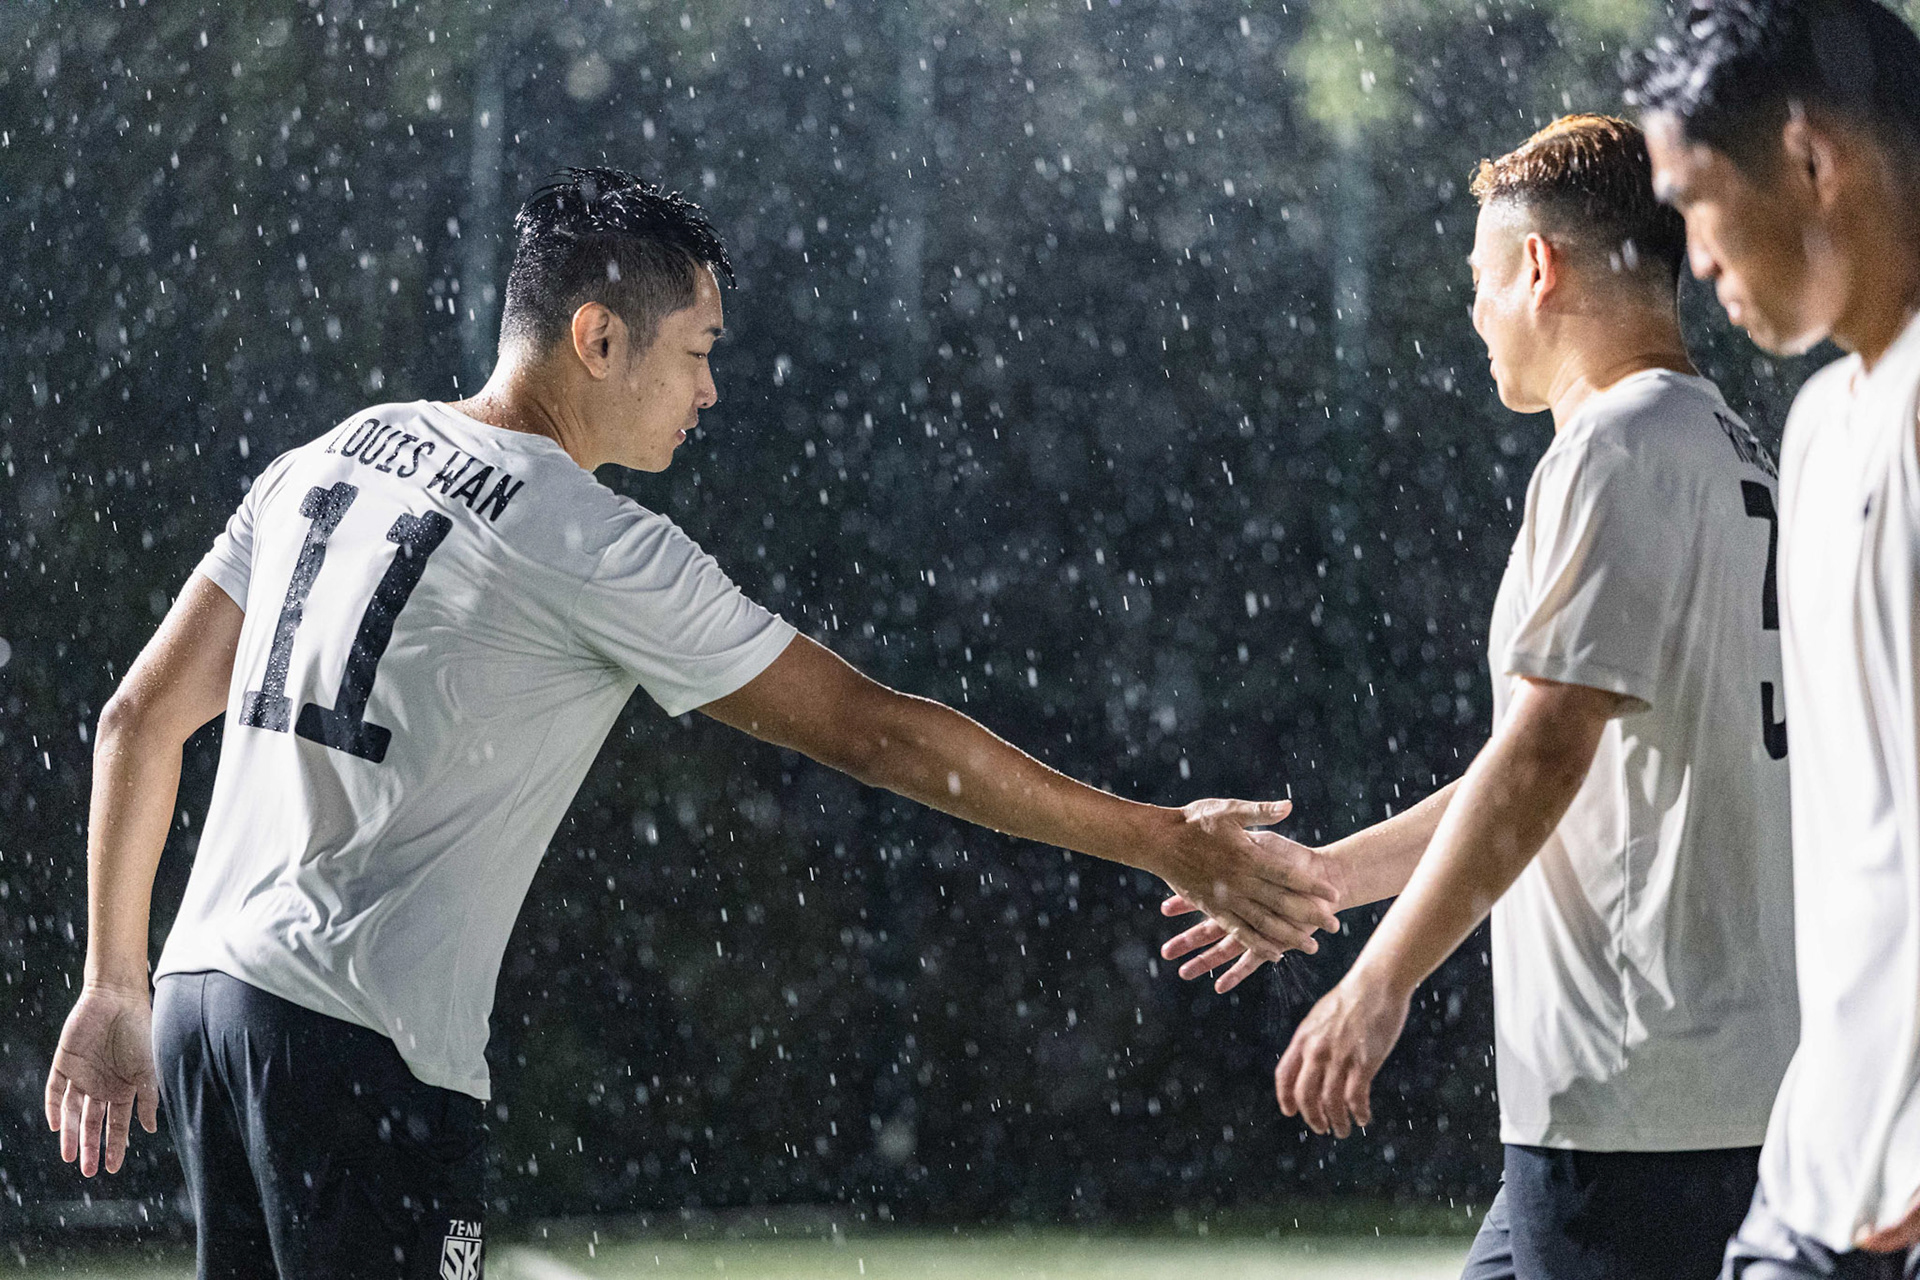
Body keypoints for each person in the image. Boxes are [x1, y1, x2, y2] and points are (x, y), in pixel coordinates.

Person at [42, 168, 1340, 1279]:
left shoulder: (327, 459)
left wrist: (114, 981)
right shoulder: (583, 539)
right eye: (699, 349)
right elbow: (875, 731)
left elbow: (134, 720)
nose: (711, 390)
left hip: (203, 1002)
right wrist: (1161, 837)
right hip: (352, 1040)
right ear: (600, 338)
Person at [1162, 115, 1799, 1280]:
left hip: (1635, 1098)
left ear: (1539, 267)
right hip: (1698, 1089)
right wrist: (1331, 878)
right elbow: (1557, 757)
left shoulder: (1615, 449)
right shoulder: (1730, 449)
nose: (1474, 314)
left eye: (1478, 280)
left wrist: (1379, 979)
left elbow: (1545, 752)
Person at [1630, 0, 1920, 1273]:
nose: (1693, 257)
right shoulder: (1814, 429)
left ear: (1810, 158)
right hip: (1820, 1175)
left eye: (1695, 201)